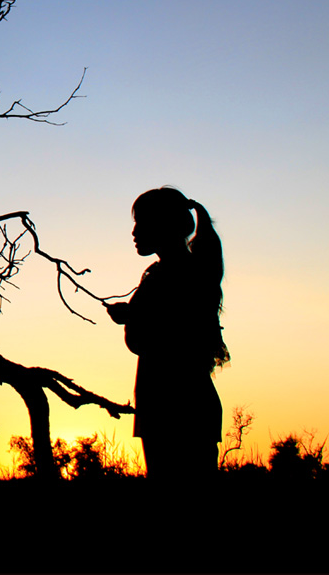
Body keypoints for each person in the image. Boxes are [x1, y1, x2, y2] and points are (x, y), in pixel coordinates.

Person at [106, 187, 230, 480]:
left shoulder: (178, 274)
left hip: (175, 408)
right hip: (169, 406)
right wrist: (133, 317)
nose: (134, 232)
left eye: (141, 222)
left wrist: (132, 317)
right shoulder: (171, 272)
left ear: (163, 225)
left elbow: (173, 338)